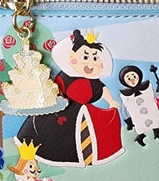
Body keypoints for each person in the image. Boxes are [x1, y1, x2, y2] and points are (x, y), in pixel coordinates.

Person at [16, 29, 123, 166]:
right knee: (54, 135)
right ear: (72, 57)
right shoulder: (65, 76)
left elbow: (102, 90)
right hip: (61, 112)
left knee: (89, 133)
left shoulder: (95, 82)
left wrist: (111, 101)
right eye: (85, 57)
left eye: (95, 58)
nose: (90, 63)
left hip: (85, 114)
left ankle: (87, 156)